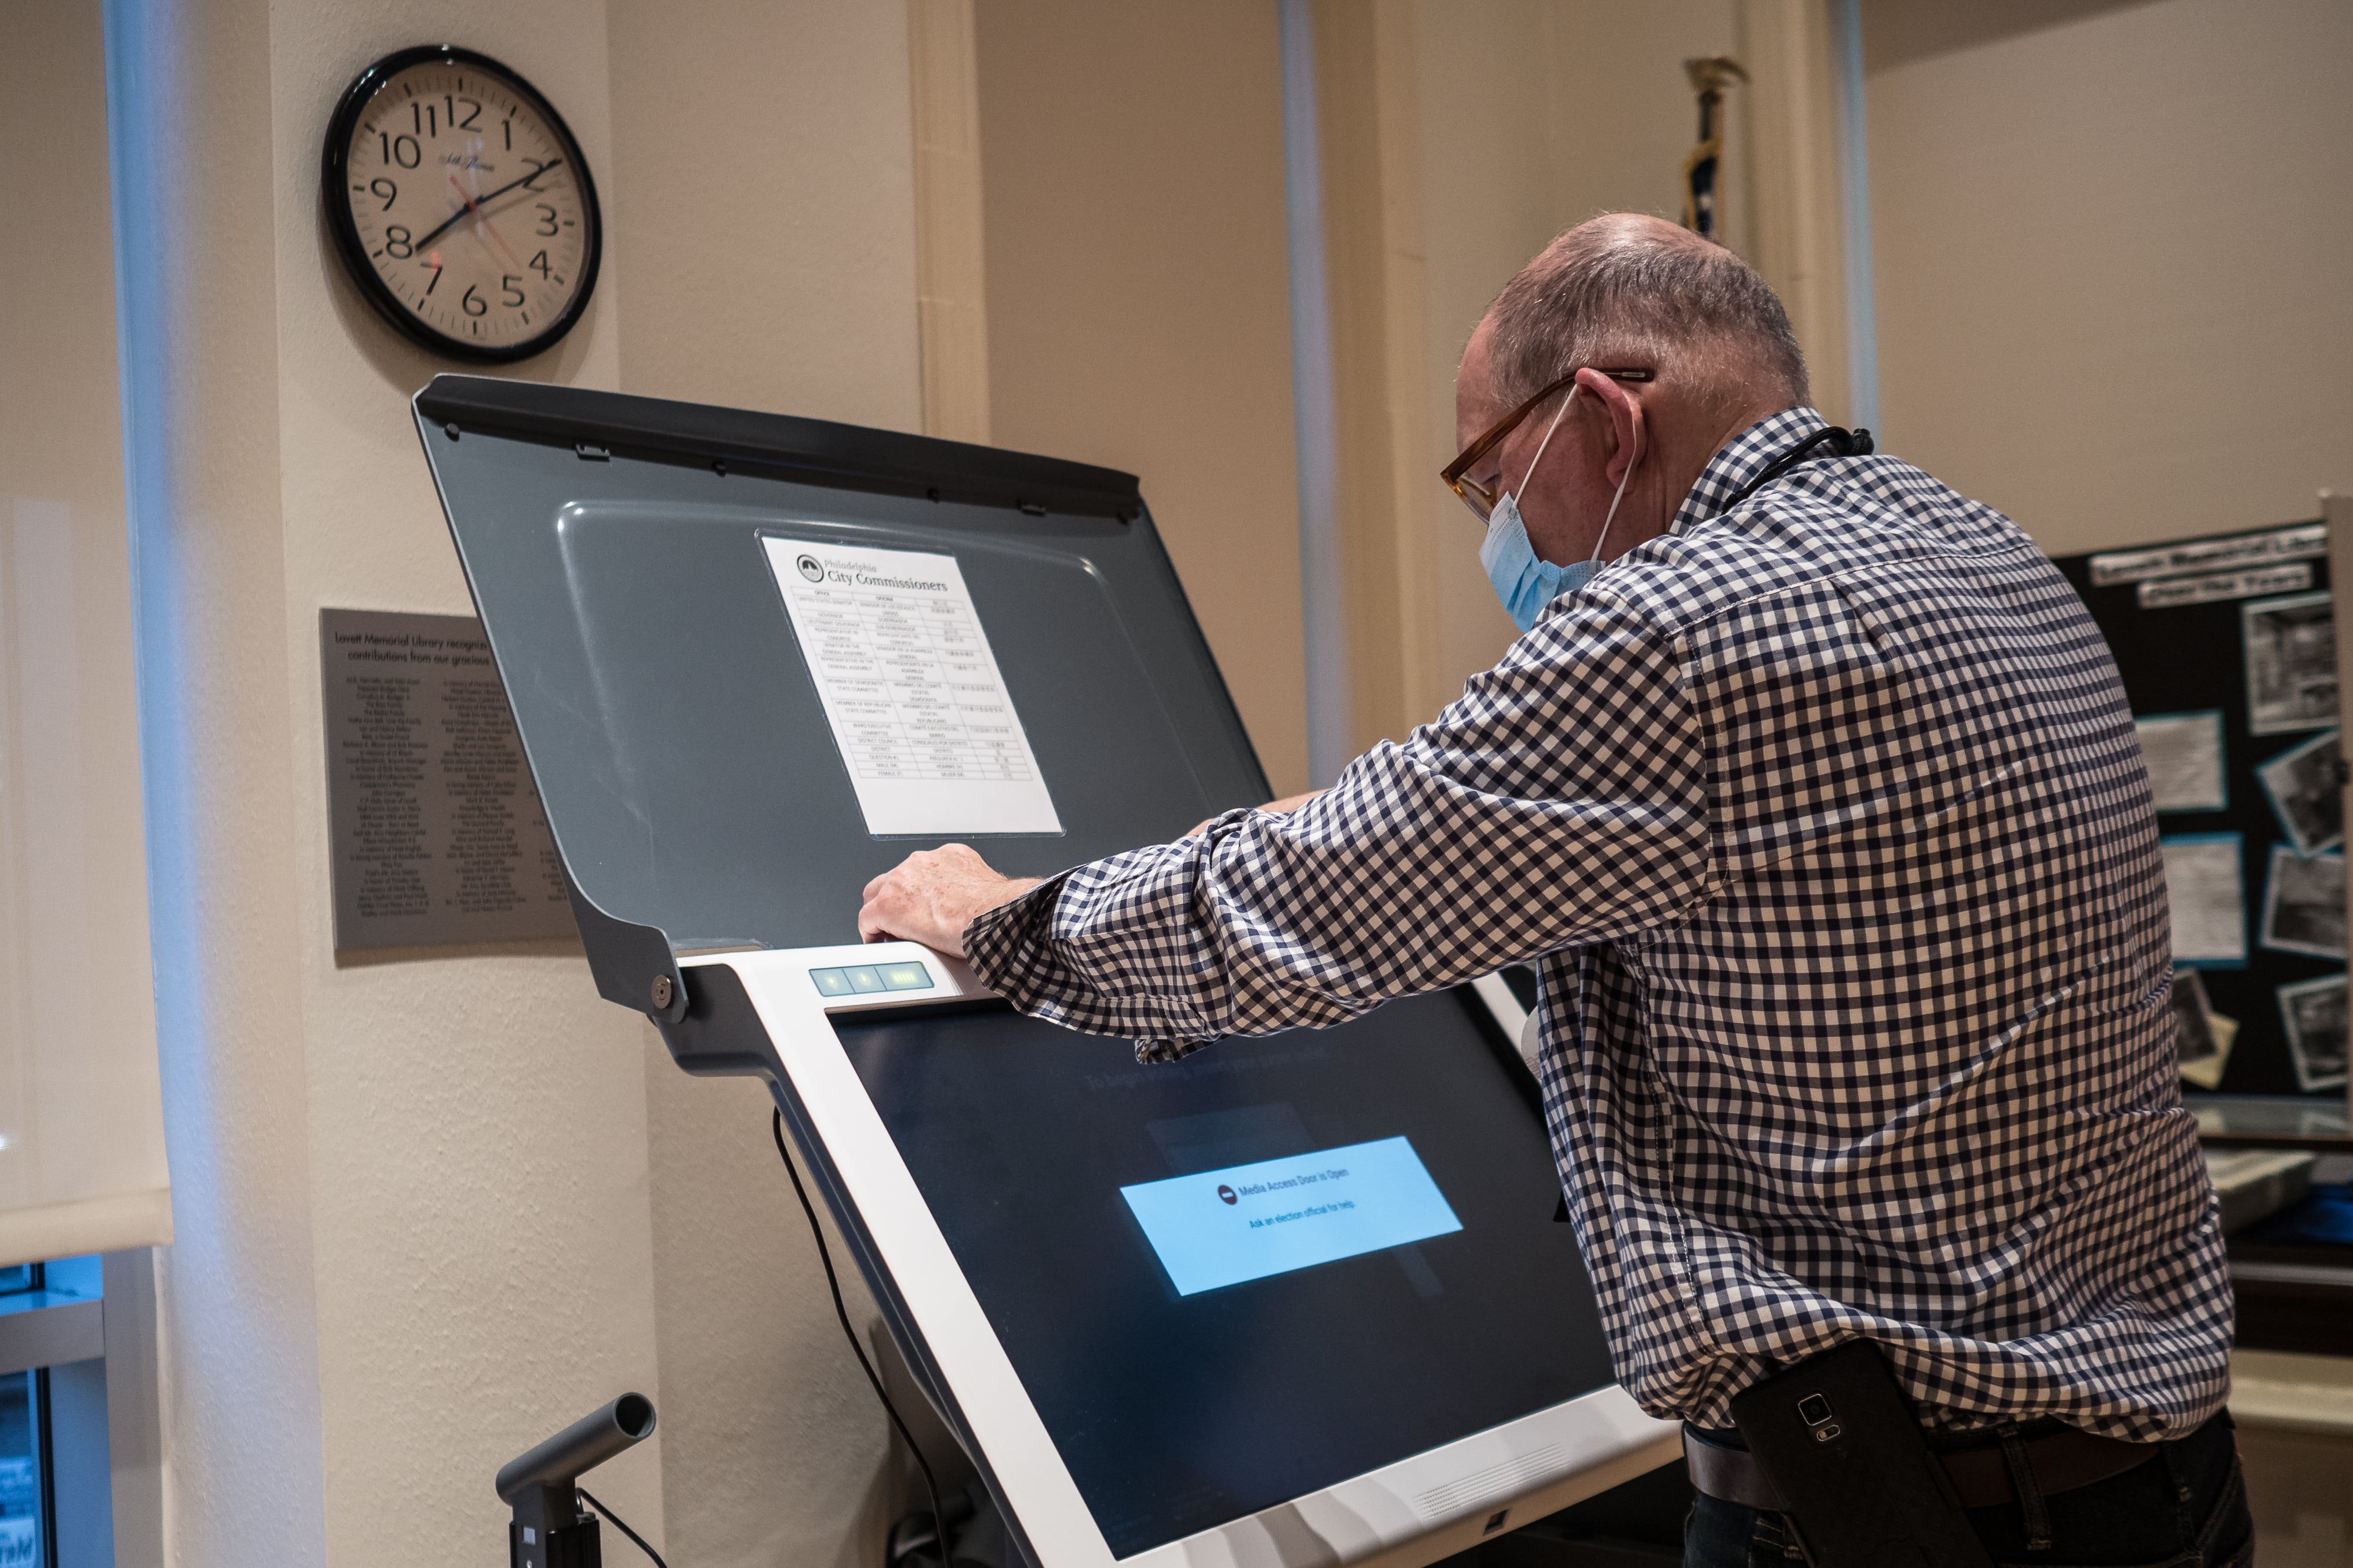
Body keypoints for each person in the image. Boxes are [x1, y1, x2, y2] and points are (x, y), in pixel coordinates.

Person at [857, 213, 2248, 1567]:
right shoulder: (1973, 549)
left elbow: (1289, 916)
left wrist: (989, 918)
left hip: (1896, 1514)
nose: (1494, 529)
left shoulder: (1677, 626)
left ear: (1600, 419)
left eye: (1486, 476)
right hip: (2151, 1473)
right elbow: (1462, 809)